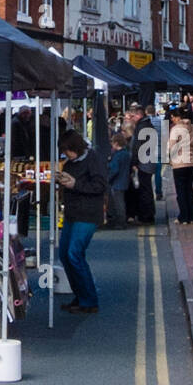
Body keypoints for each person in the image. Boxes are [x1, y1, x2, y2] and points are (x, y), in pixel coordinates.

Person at [56, 131, 104, 313]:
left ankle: (89, 300)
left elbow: (100, 186)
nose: (66, 154)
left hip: (88, 214)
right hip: (72, 214)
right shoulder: (69, 164)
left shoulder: (93, 159)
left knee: (74, 254)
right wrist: (62, 180)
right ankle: (81, 295)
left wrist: (75, 184)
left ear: (75, 147)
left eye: (67, 150)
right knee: (64, 255)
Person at [167, 110, 193, 225]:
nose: (172, 120)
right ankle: (191, 217)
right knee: (189, 190)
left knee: (181, 191)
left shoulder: (176, 129)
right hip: (192, 163)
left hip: (179, 163)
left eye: (173, 117)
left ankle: (183, 217)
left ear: (177, 117)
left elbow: (171, 146)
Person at [129, 103, 157, 225]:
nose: (132, 118)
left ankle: (146, 216)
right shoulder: (146, 125)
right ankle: (148, 214)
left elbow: (138, 147)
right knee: (147, 189)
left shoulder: (142, 127)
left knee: (145, 189)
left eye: (133, 116)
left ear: (139, 115)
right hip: (148, 161)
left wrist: (134, 161)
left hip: (144, 162)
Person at [106, 131, 131, 229]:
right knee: (119, 202)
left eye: (112, 143)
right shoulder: (126, 153)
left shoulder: (118, 155)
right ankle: (119, 221)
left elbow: (114, 169)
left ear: (116, 143)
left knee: (118, 203)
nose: (112, 145)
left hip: (117, 182)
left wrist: (108, 178)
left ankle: (120, 222)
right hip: (124, 181)